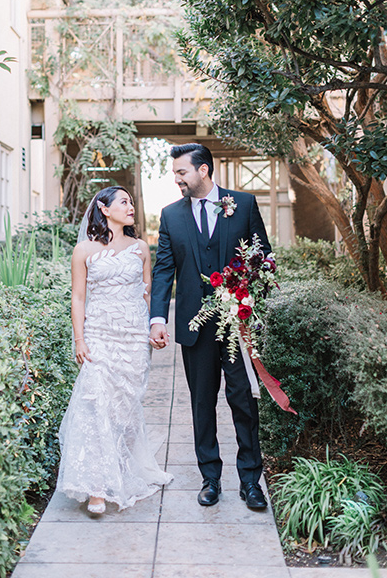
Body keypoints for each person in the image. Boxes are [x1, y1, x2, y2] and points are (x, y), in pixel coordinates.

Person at [150, 143, 271, 510]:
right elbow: (163, 270)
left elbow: (262, 257)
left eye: (181, 173)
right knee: (202, 403)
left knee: (243, 402)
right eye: (174, 174)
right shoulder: (171, 216)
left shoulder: (244, 204)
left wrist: (248, 295)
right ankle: (210, 478)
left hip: (236, 324)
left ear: (203, 171)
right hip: (194, 326)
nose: (177, 180)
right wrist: (157, 318)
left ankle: (251, 481)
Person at [57, 185, 172, 514]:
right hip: (99, 338)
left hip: (133, 340)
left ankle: (116, 470)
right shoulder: (84, 250)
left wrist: (154, 327)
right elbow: (78, 297)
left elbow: (147, 293)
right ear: (105, 209)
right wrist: (80, 339)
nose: (130, 206)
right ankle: (96, 487)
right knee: (96, 407)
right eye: (124, 202)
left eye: (132, 202)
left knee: (122, 410)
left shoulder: (140, 249)